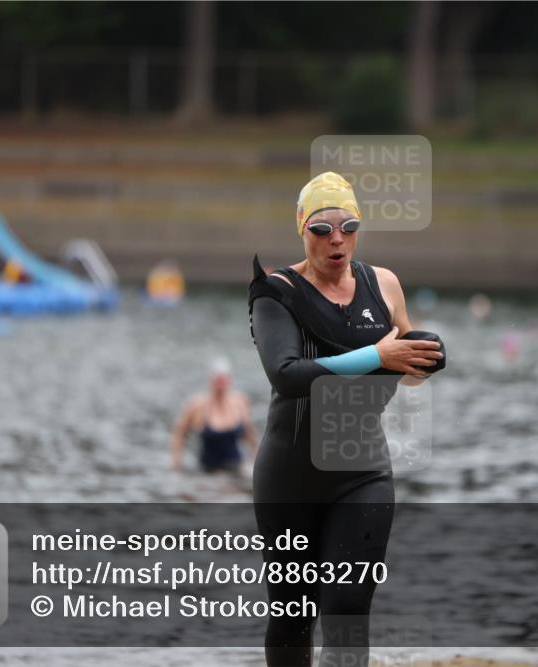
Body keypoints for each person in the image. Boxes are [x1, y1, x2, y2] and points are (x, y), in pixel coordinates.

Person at [247, 172, 446, 667]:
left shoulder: (385, 284)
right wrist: (378, 354)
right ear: (302, 230)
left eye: (348, 226)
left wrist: (421, 361)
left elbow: (405, 370)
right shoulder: (276, 292)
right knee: (294, 614)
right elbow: (286, 375)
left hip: (363, 473)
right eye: (321, 228)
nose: (336, 238)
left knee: (347, 607)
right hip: (290, 478)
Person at [169, 358, 259, 474]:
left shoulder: (239, 402)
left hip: (235, 469)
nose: (220, 384)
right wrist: (176, 464)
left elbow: (250, 435)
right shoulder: (197, 405)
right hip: (206, 470)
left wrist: (257, 462)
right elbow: (179, 434)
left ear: (229, 380)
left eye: (223, 380)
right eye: (217, 380)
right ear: (210, 380)